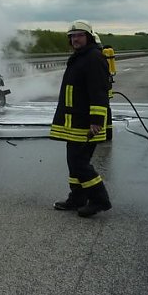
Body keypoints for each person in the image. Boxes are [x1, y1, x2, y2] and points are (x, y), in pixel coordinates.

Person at [50, 20, 112, 217]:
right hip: (73, 121)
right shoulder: (80, 57)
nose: (75, 39)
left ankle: (99, 199)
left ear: (89, 37)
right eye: (72, 36)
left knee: (79, 163)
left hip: (85, 122)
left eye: (79, 35)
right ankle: (77, 198)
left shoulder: (93, 58)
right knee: (73, 162)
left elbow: (98, 92)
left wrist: (96, 121)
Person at [101, 42, 116, 141]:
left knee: (102, 109)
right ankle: (108, 133)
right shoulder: (109, 56)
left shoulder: (99, 56)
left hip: (102, 89)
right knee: (107, 109)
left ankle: (103, 133)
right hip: (108, 86)